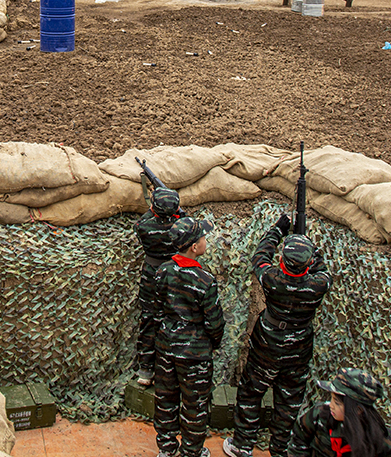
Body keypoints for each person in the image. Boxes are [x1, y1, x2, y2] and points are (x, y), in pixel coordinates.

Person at [224, 218, 332, 457]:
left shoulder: (272, 278)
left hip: (267, 346)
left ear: (281, 261)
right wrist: (307, 245)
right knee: (289, 401)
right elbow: (321, 266)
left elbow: (260, 257)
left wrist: (277, 231)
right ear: (308, 263)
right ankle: (281, 448)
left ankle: (242, 445)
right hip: (299, 350)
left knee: (251, 393)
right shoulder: (319, 285)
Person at [153, 216, 225, 457]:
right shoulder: (205, 281)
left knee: (165, 401)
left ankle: (166, 449)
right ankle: (191, 452)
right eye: (203, 237)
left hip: (166, 347)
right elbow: (214, 323)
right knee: (195, 406)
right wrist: (212, 343)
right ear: (194, 247)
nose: (206, 240)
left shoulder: (163, 271)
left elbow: (157, 309)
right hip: (195, 354)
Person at [134, 185, 184, 386]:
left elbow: (144, 219)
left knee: (149, 320)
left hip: (151, 276)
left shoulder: (144, 226)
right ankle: (170, 370)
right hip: (175, 276)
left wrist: (153, 208)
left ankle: (145, 370)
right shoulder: (182, 227)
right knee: (174, 319)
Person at [285, 368, 391, 457]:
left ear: (358, 410)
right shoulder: (319, 414)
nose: (331, 405)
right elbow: (298, 440)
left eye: (337, 403)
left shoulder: (381, 439)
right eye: (332, 399)